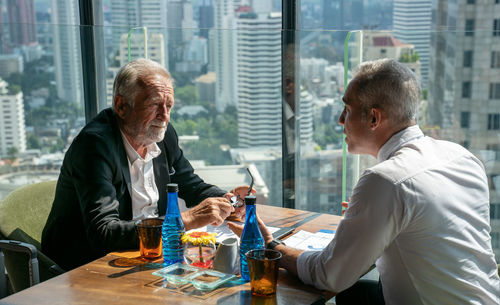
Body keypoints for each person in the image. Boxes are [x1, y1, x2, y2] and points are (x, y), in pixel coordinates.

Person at [250, 59, 500, 304]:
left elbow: (329, 276)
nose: (339, 120)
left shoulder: (386, 180)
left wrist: (271, 247)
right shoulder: (462, 157)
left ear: (374, 118)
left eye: (347, 110)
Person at [42, 58, 250, 271]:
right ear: (121, 106)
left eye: (169, 105)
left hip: (151, 255)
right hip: (89, 267)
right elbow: (103, 234)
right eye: (154, 104)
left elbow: (190, 184)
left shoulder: (163, 135)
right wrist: (185, 220)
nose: (165, 116)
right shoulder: (94, 147)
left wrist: (229, 201)